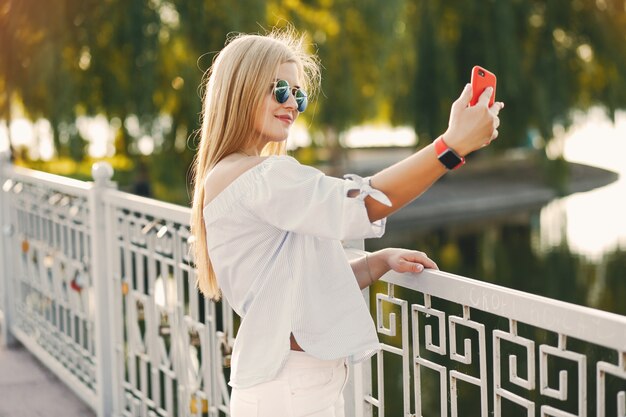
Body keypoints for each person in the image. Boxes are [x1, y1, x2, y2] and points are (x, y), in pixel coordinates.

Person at [190, 27, 503, 417]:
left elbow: (297, 284)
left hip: (290, 383)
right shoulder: (260, 175)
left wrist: (379, 261)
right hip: (290, 391)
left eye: (298, 94)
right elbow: (364, 202)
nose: (293, 104)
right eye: (280, 90)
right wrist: (450, 146)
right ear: (240, 90)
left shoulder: (234, 175)